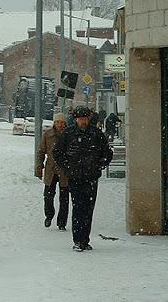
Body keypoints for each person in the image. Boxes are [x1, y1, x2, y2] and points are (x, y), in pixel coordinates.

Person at [53, 106, 113, 251]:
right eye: (81, 119)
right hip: (75, 177)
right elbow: (57, 153)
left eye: (85, 119)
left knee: (88, 209)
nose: (83, 122)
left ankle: (85, 239)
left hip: (91, 177)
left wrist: (99, 165)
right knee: (78, 208)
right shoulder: (68, 134)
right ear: (76, 120)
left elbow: (107, 153)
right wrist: (67, 169)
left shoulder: (96, 134)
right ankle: (78, 240)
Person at [36, 112, 69, 230]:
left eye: (62, 122)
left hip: (65, 170)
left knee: (64, 198)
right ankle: (49, 215)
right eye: (57, 122)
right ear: (54, 123)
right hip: (51, 169)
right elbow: (41, 151)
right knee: (48, 196)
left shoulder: (69, 134)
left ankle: (62, 222)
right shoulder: (47, 135)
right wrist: (39, 166)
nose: (60, 124)